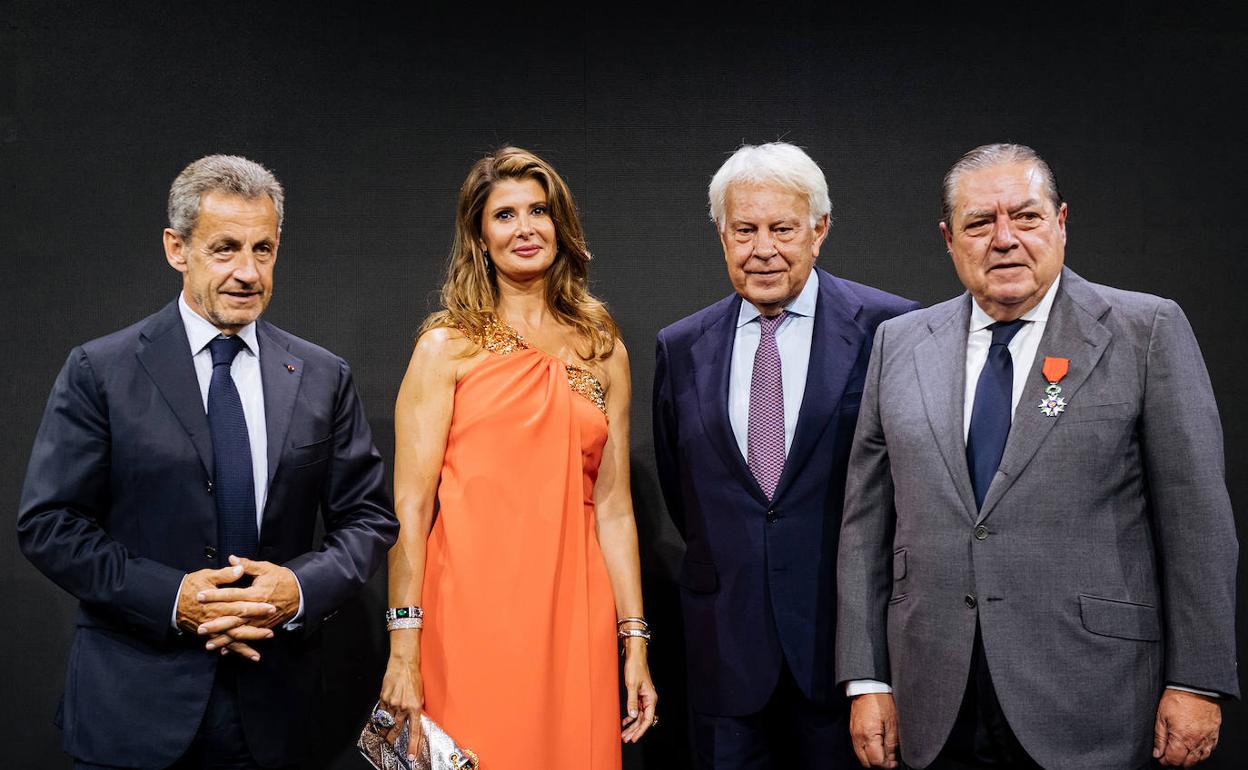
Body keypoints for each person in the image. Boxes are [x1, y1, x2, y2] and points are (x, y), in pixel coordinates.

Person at [836, 143, 1239, 769]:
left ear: (1060, 222)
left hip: (1094, 696)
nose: (1004, 239)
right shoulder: (900, 342)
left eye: (1025, 217)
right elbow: (865, 524)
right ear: (948, 238)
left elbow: (1198, 525)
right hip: (932, 698)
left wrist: (1196, 681)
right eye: (979, 223)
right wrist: (867, 680)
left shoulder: (1146, 330)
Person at [17, 155, 398, 768]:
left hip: (277, 714)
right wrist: (173, 599)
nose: (248, 272)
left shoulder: (323, 376)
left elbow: (369, 520)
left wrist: (296, 588)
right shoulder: (101, 370)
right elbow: (50, 524)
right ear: (176, 248)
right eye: (225, 249)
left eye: (263, 249)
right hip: (133, 707)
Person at [377, 146, 657, 769]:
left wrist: (633, 640)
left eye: (539, 210)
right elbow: (410, 508)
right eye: (504, 215)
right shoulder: (445, 347)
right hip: (468, 619)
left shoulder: (602, 347)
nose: (525, 228)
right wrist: (403, 644)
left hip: (575, 614)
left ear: (562, 225)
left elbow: (614, 510)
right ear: (479, 235)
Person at [652, 142, 919, 769]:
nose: (763, 249)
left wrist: (873, 667)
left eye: (782, 228)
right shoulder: (681, 345)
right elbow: (680, 486)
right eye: (744, 230)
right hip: (725, 656)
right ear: (722, 235)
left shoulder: (892, 329)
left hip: (846, 662)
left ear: (819, 230)